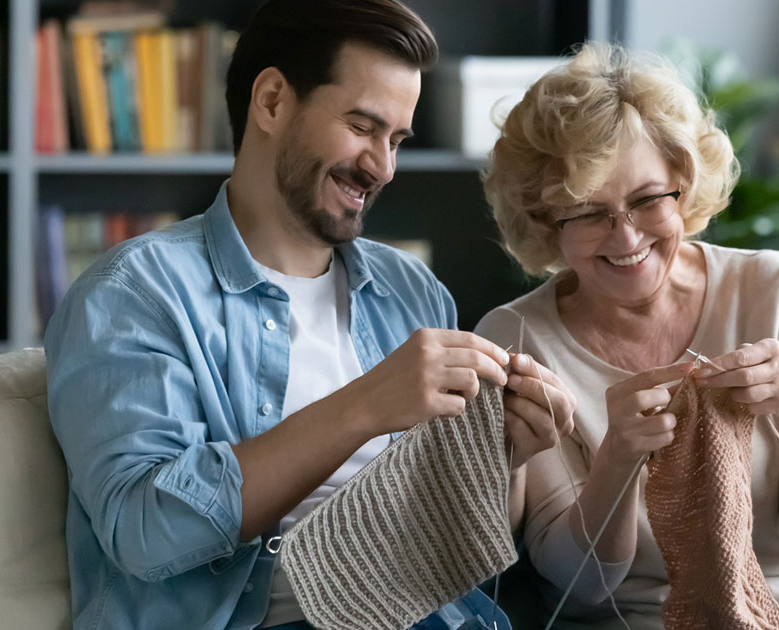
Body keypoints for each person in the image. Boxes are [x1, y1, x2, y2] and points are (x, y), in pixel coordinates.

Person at [45, 1, 574, 628]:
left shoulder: (412, 292)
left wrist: (499, 452)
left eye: (396, 140)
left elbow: (447, 544)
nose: (382, 166)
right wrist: (366, 405)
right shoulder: (135, 295)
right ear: (271, 101)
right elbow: (144, 532)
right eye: (361, 126)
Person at [475, 42, 779, 629]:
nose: (625, 238)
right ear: (544, 218)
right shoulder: (517, 336)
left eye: (647, 200)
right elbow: (579, 586)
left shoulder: (771, 285)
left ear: (683, 181)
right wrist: (619, 458)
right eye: (588, 211)